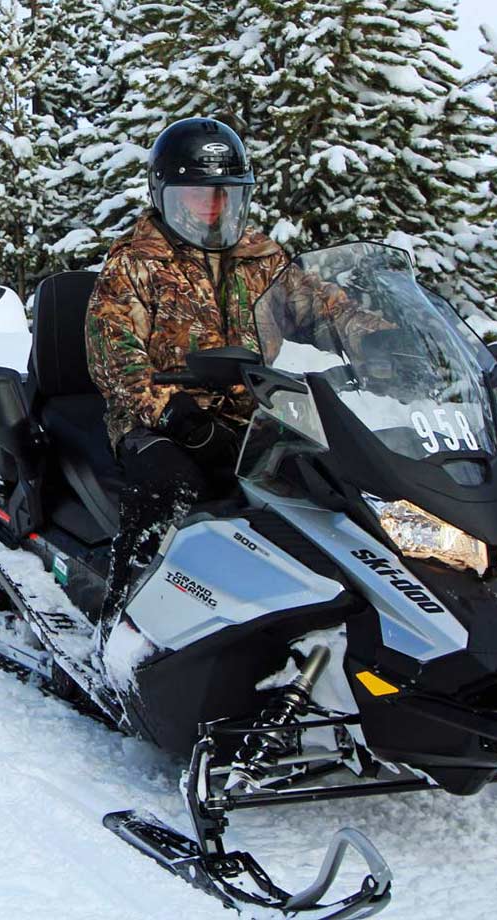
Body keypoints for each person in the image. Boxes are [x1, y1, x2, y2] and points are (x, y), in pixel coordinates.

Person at [85, 117, 385, 621]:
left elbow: (319, 305)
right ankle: (124, 613)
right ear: (168, 197)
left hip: (256, 412)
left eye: (225, 194)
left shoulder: (259, 256)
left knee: (329, 484)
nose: (214, 207)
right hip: (160, 421)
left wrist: (379, 340)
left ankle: (334, 609)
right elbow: (112, 354)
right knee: (167, 484)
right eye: (200, 196)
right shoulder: (136, 261)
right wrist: (172, 411)